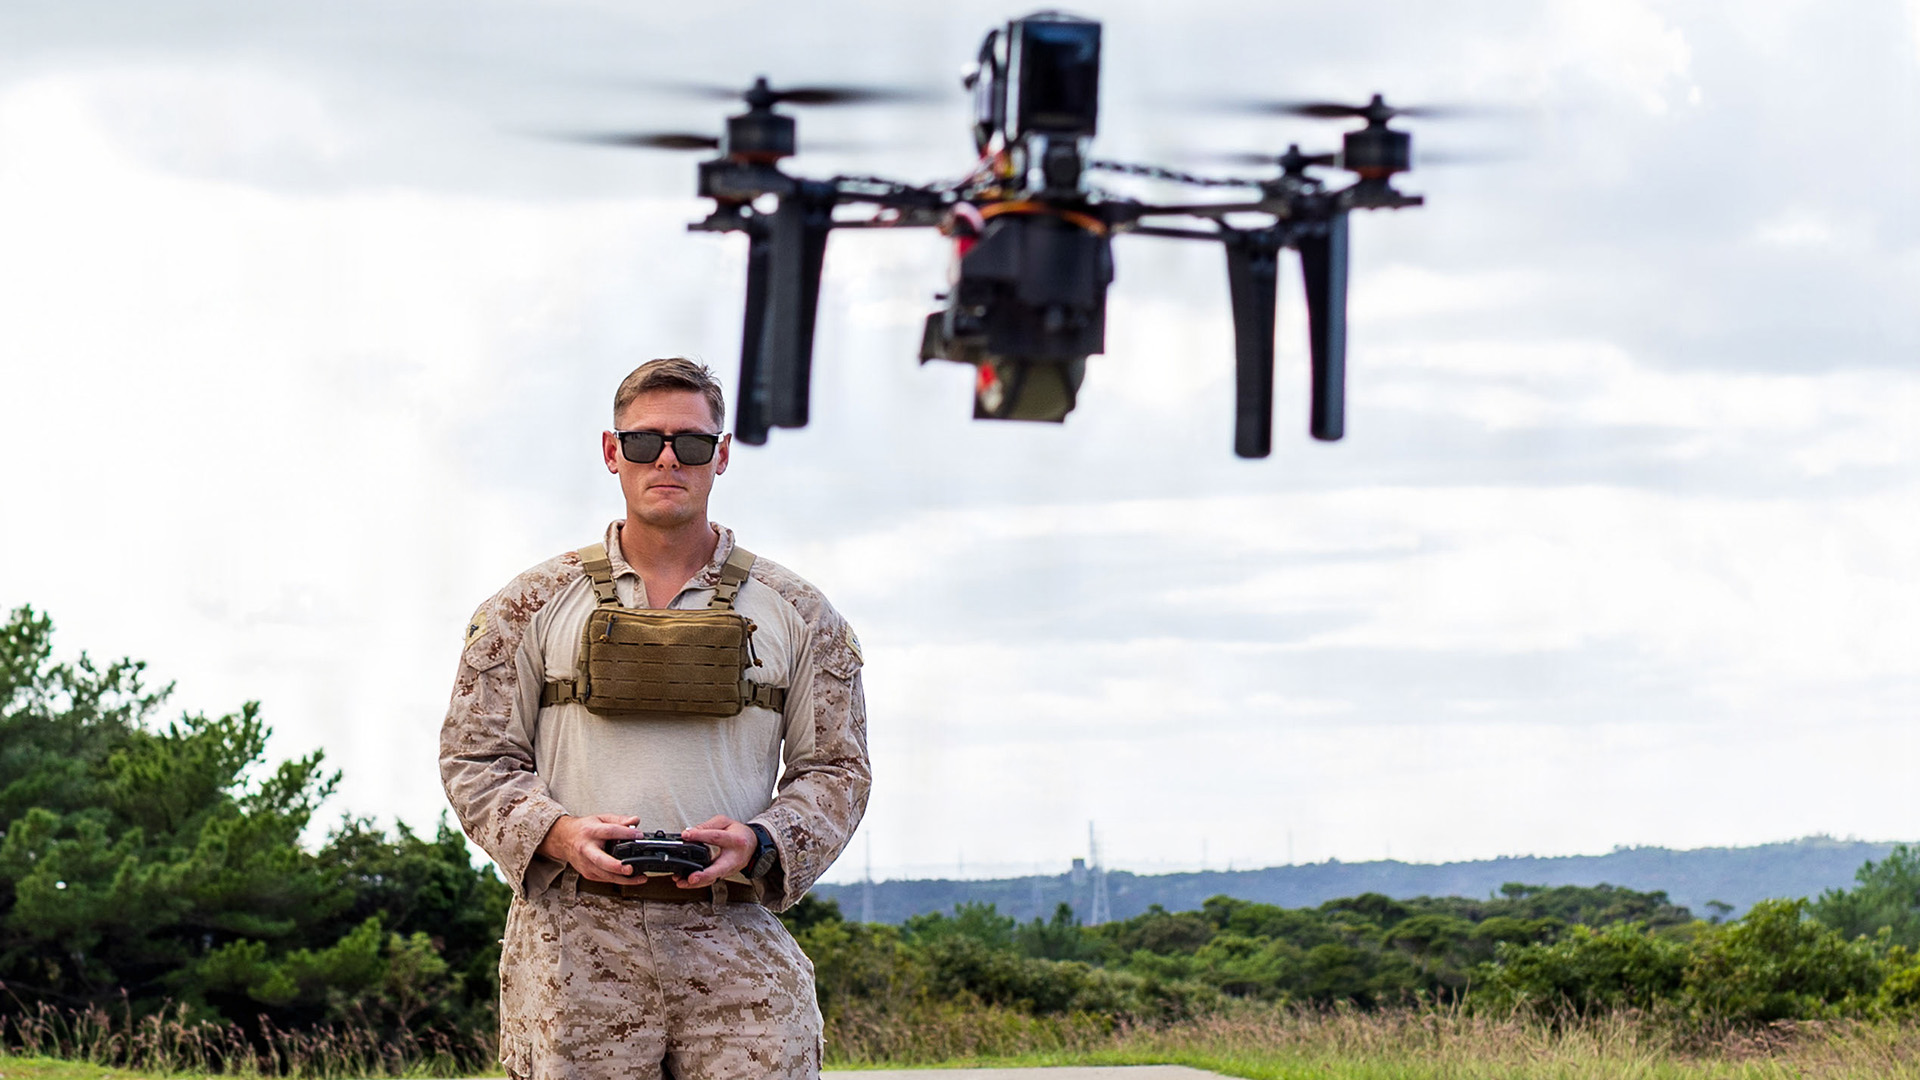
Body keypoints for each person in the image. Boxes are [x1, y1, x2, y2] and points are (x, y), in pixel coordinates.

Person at [440, 357, 870, 1080]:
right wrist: (559, 833)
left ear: (721, 455)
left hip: (732, 937)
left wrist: (763, 840)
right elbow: (474, 759)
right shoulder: (527, 606)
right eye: (644, 442)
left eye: (691, 443)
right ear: (612, 452)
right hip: (574, 947)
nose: (667, 459)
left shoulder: (799, 614)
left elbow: (837, 771)